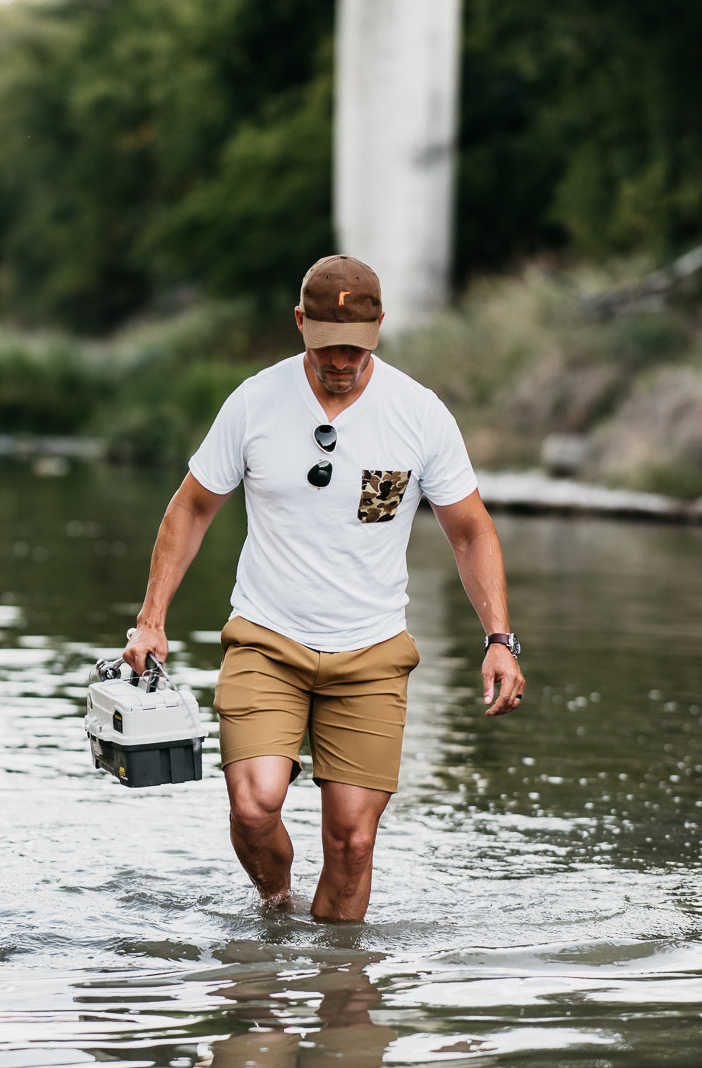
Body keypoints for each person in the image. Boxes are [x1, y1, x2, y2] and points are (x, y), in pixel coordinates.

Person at [123, 254, 524, 923]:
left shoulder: (419, 414)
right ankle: (277, 912)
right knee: (254, 808)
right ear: (300, 322)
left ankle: (339, 995)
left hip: (370, 655)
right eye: (326, 344)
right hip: (265, 640)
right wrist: (151, 619)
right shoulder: (255, 401)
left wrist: (499, 639)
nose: (341, 359)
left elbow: (471, 532)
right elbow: (191, 508)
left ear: (381, 327)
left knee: (353, 841)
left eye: (357, 346)